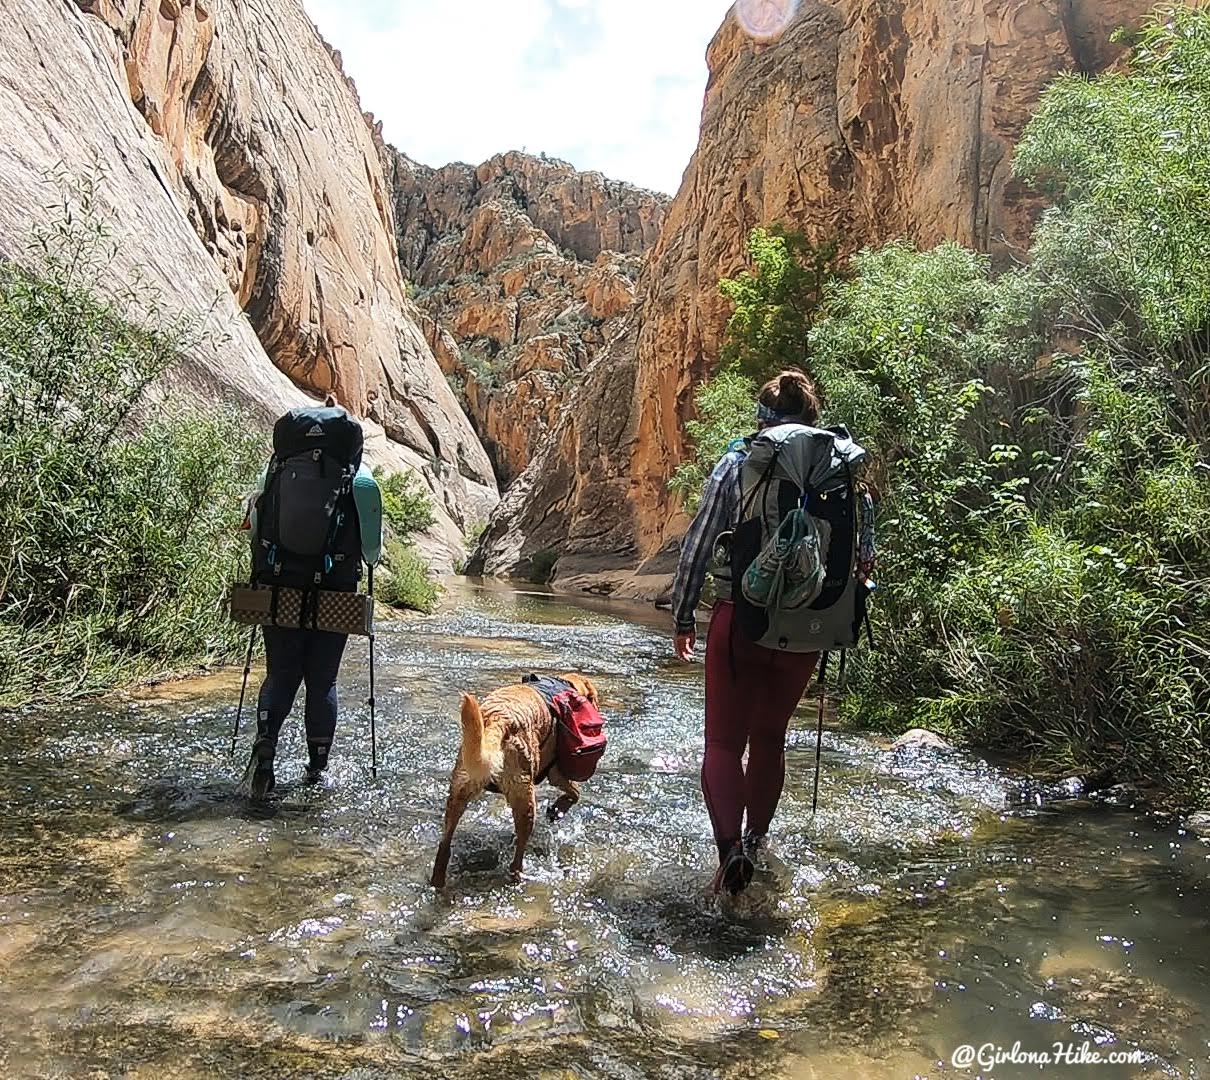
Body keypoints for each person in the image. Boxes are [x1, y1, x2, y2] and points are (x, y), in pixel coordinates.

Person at [670, 370, 875, 895]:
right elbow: (863, 560)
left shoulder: (740, 462)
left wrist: (683, 616)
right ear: (812, 419)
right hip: (808, 628)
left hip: (741, 619)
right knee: (769, 740)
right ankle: (756, 844)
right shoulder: (841, 469)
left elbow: (697, 545)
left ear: (762, 419)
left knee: (721, 743)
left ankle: (729, 854)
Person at [240, 396, 383, 799]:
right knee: (322, 682)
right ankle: (317, 770)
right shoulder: (360, 478)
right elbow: (372, 548)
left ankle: (265, 750)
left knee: (281, 673)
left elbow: (254, 526)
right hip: (335, 590)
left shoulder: (276, 470)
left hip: (278, 582)